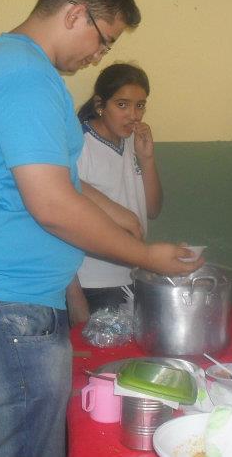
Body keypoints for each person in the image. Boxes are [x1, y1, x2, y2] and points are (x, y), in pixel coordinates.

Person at [0, 0, 202, 457]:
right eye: (104, 40)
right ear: (75, 14)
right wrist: (145, 256)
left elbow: (55, 178)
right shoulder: (24, 76)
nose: (99, 55)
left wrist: (115, 213)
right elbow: (51, 204)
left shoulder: (23, 68)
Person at [66, 63, 161, 325]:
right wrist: (74, 295)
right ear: (100, 105)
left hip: (132, 275)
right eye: (122, 105)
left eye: (140, 105)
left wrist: (147, 159)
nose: (133, 115)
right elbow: (61, 223)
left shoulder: (132, 141)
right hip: (91, 282)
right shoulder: (79, 144)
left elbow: (153, 209)